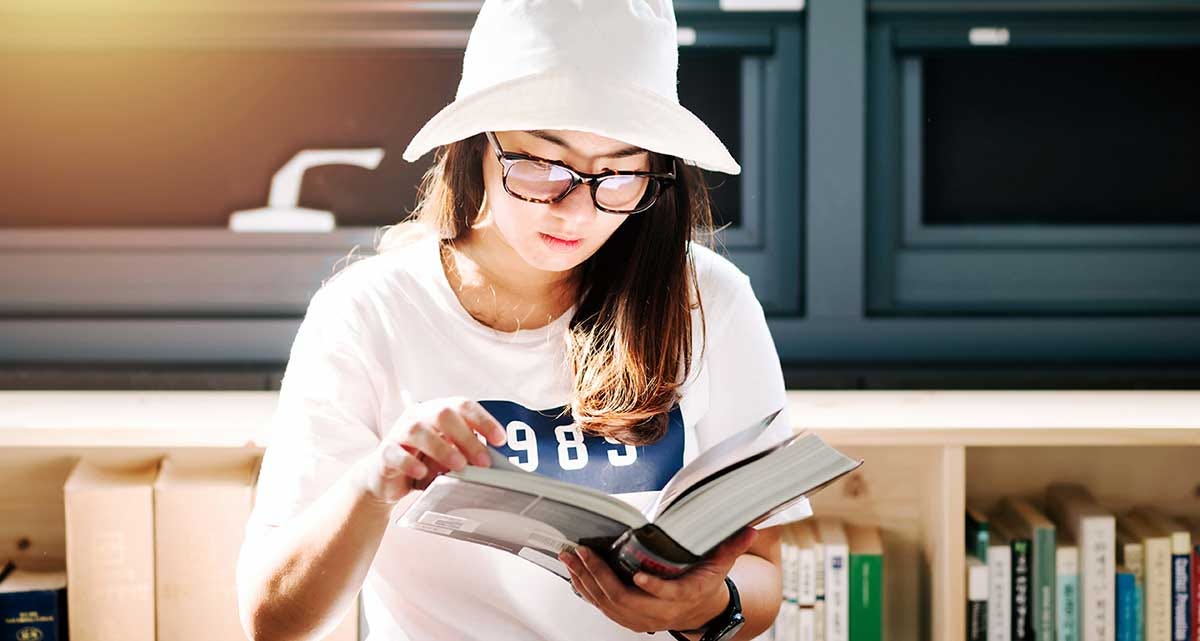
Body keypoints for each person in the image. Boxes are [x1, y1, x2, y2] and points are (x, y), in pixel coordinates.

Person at [235, 1, 810, 640]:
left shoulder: (710, 301)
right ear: (477, 146)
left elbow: (761, 577)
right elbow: (272, 621)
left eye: (618, 173)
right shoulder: (368, 312)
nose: (576, 210)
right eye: (542, 165)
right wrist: (375, 479)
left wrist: (702, 608)